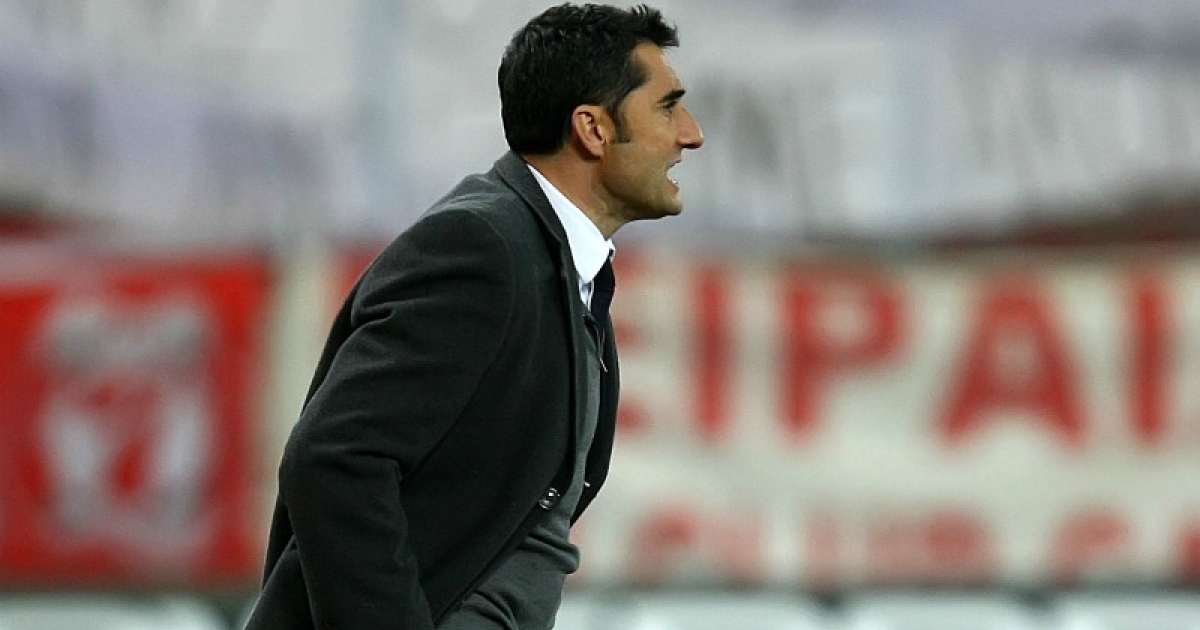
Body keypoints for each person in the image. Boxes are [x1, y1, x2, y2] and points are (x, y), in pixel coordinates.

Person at [243, 3, 703, 629]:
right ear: (593, 129)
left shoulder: (562, 266)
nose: (690, 134)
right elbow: (335, 458)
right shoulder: (484, 248)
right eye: (668, 107)